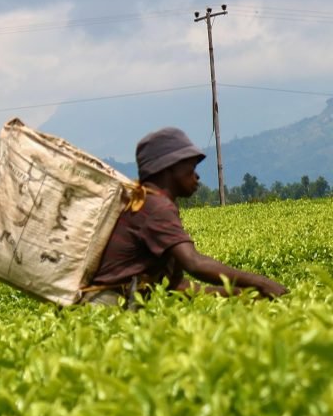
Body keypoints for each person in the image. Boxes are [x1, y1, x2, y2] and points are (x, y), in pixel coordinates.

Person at [83, 128, 287, 306]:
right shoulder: (156, 207)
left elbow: (175, 287)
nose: (196, 176)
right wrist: (260, 282)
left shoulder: (146, 202)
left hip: (120, 303)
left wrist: (238, 294)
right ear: (169, 167)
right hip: (107, 306)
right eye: (190, 167)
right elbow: (194, 264)